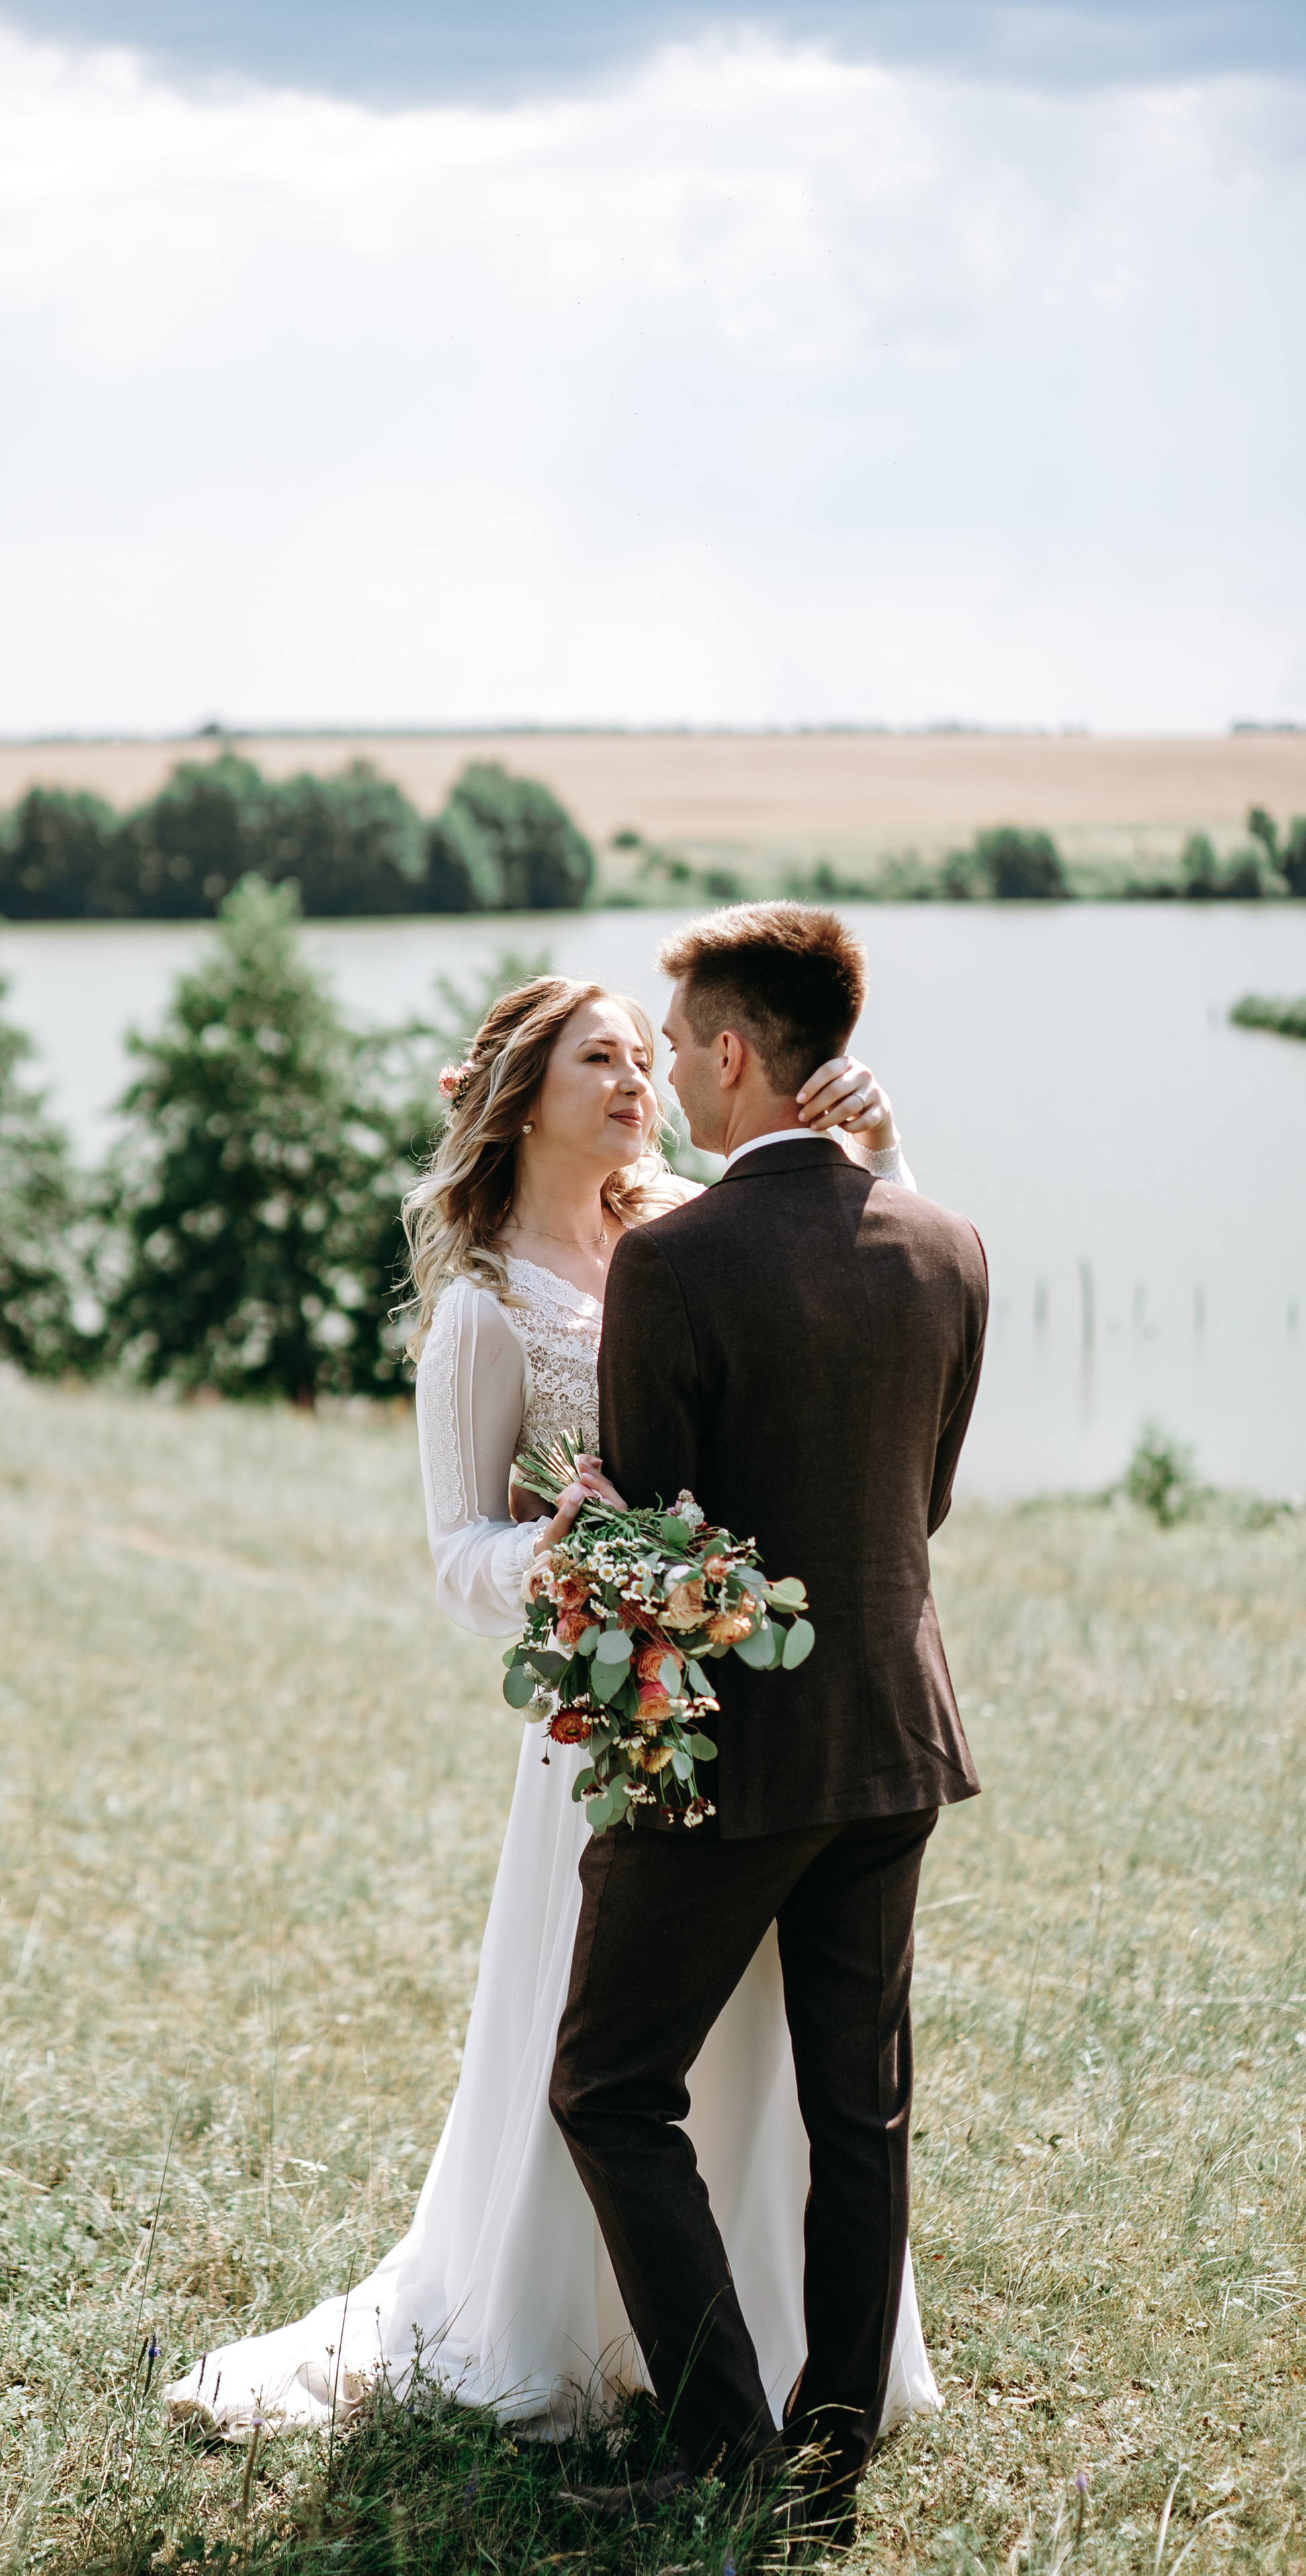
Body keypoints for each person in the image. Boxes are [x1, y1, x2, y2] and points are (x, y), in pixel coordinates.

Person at [168, 962, 944, 2444]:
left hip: (772, 1721)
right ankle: (581, 2332)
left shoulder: (686, 1230)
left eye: (645, 1055)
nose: (639, 1080)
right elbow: (455, 1554)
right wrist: (572, 1557)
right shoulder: (483, 1311)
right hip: (617, 1724)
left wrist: (877, 1154)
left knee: (767, 2053)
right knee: (604, 2058)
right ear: (522, 1098)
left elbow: (869, 1310)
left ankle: (767, 2339)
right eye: (600, 1058)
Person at [549, 904, 987, 2539]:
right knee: (857, 2116)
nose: (667, 1074)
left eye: (676, 1046)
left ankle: (724, 2443)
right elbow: (917, 1503)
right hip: (896, 1740)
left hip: (730, 1764)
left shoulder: (671, 1262)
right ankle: (827, 2471)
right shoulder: (947, 1244)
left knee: (606, 2086)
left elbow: (653, 1547)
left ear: (735, 1055)